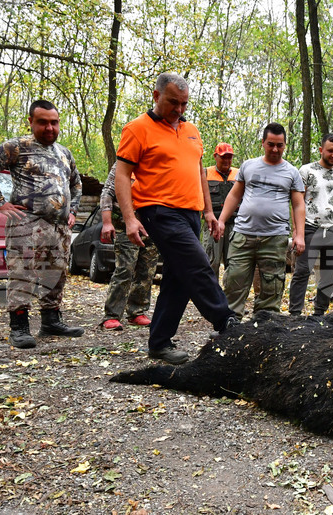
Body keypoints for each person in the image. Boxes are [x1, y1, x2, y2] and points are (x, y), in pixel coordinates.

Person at [114, 72, 238, 365]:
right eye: (173, 103)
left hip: (190, 213)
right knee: (198, 266)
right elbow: (122, 176)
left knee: (179, 277)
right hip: (159, 210)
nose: (179, 110)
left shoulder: (192, 130)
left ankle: (159, 342)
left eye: (184, 104)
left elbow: (198, 173)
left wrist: (208, 210)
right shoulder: (137, 129)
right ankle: (227, 322)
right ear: (156, 96)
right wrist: (130, 219)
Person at [0, 99, 84, 348]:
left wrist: (73, 209)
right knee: (22, 274)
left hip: (58, 228)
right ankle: (20, 327)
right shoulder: (17, 147)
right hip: (26, 224)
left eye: (54, 123)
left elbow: (76, 184)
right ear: (31, 121)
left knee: (56, 274)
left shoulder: (64, 153)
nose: (49, 128)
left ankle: (51, 321)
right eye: (43, 122)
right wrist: (0, 203)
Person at [218, 123, 305, 315]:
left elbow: (298, 205)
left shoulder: (292, 172)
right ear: (263, 143)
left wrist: (299, 235)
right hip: (243, 235)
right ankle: (230, 326)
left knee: (271, 287)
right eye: (271, 144)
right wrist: (221, 221)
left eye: (280, 145)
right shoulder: (248, 166)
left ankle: (265, 329)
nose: (275, 149)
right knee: (234, 281)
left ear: (285, 145)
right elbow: (234, 195)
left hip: (275, 238)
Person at [288, 133, 333, 316]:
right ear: (321, 149)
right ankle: (294, 315)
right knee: (302, 271)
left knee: (329, 274)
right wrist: (296, 231)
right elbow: (297, 202)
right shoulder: (306, 171)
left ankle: (319, 314)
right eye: (330, 150)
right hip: (309, 226)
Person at [99, 163, 160, 330]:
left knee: (147, 270)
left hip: (150, 225)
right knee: (125, 268)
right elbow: (107, 193)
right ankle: (111, 315)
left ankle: (137, 311)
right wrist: (107, 222)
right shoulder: (122, 164)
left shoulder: (155, 163)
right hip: (125, 224)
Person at [202, 142, 239, 278]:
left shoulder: (239, 174)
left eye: (229, 157)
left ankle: (230, 296)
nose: (227, 160)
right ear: (215, 156)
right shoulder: (205, 174)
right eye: (223, 157)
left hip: (235, 225)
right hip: (213, 224)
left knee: (234, 263)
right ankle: (211, 296)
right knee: (212, 262)